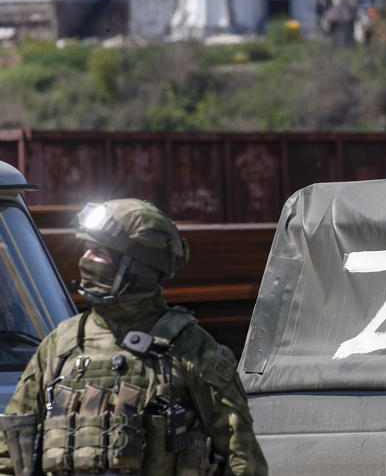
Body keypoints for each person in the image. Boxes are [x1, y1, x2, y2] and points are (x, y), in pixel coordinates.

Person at [0, 199, 268, 476]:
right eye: (86, 249)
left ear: (138, 267)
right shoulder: (59, 346)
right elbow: (10, 453)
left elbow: (243, 461)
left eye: (99, 251)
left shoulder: (190, 349)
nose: (85, 260)